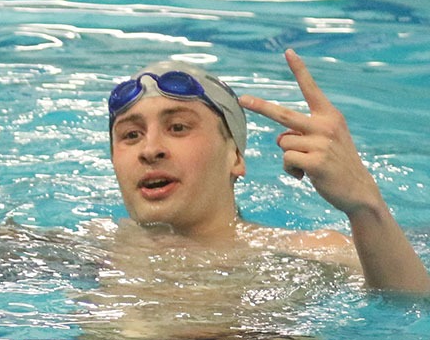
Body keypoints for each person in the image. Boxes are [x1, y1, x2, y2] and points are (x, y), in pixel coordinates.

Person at [103, 49, 430, 296]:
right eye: (131, 135)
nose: (150, 149)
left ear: (234, 157)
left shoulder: (303, 255)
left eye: (177, 127)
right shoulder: (93, 250)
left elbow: (409, 308)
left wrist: (364, 204)